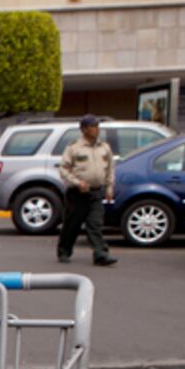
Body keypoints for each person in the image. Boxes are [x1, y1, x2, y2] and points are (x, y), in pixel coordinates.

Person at [57, 114, 118, 266]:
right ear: (84, 129)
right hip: (77, 194)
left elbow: (110, 168)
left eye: (97, 126)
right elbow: (64, 170)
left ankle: (100, 254)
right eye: (93, 126)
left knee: (95, 224)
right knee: (72, 225)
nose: (96, 129)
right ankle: (64, 251)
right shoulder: (74, 147)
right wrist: (77, 183)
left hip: (96, 192)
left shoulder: (104, 147)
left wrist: (109, 187)